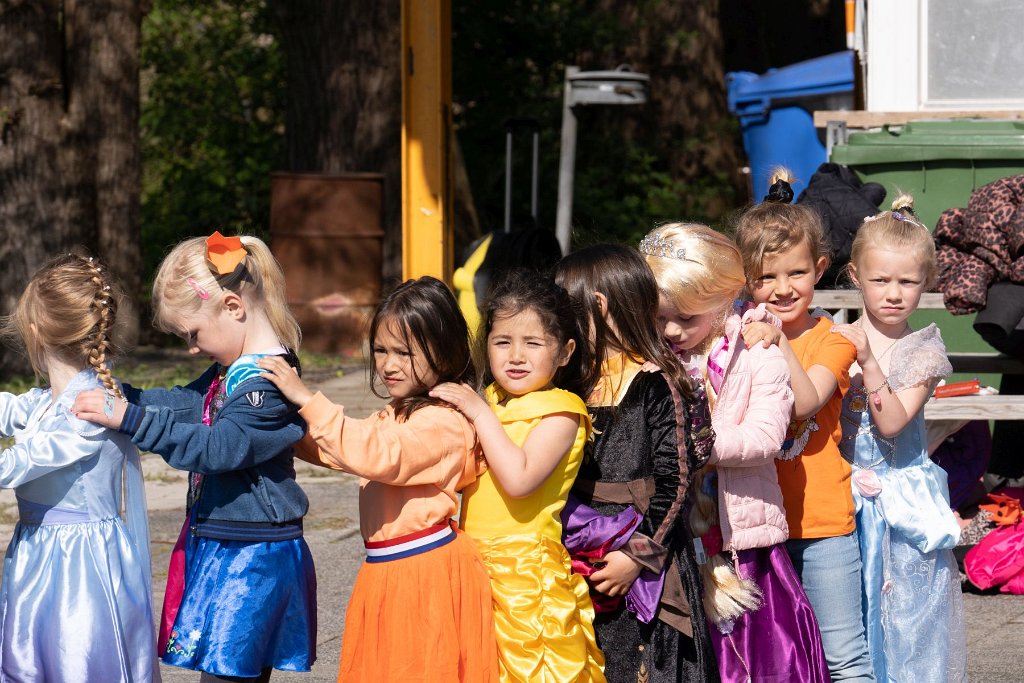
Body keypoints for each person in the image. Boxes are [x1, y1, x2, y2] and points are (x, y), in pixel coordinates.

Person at [73, 232, 316, 683]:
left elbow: (218, 448)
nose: (191, 347)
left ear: (232, 307)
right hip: (230, 544)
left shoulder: (266, 382)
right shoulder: (235, 368)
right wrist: (123, 396)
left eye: (193, 333)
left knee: (225, 676)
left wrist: (131, 420)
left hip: (255, 557)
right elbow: (188, 405)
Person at [258, 276, 499, 683]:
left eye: (404, 352)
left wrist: (306, 399)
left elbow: (374, 454)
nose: (388, 364)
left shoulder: (443, 422)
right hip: (391, 568)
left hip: (424, 573)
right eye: (382, 350)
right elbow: (344, 449)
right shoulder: (402, 412)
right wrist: (281, 430)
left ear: (444, 348)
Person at [641, 222, 830, 682]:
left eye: (687, 318)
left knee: (751, 658)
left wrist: (694, 444)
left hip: (737, 542)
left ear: (722, 299)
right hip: (675, 537)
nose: (672, 329)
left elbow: (766, 434)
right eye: (660, 316)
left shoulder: (755, 350)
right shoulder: (649, 353)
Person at [429, 271, 605, 682]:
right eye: (503, 342)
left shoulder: (561, 411)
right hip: (471, 565)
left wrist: (477, 414)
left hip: (527, 576)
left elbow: (519, 479)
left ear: (564, 352)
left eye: (533, 343)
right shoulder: (487, 401)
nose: (516, 356)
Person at [553, 244, 718, 683]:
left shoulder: (655, 383)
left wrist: (637, 556)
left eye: (566, 308)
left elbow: (677, 483)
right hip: (581, 552)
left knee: (645, 665)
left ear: (599, 306)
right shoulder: (572, 381)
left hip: (644, 556)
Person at [735, 169, 874, 681]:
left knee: (843, 658)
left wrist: (773, 339)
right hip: (755, 526)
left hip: (821, 526)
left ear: (819, 269)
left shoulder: (835, 338)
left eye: (795, 273)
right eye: (765, 278)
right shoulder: (737, 336)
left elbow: (806, 401)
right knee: (775, 659)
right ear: (746, 281)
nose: (781, 289)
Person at [0, 253, 157, 682]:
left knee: (77, 660)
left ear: (33, 332)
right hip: (37, 556)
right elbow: (7, 409)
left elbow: (18, 464)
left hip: (78, 565)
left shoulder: (89, 411)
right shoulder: (42, 403)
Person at [831, 196, 968, 682]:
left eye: (907, 282)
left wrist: (867, 362)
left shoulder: (924, 350)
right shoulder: (833, 336)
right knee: (844, 618)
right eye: (880, 280)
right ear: (854, 277)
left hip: (901, 500)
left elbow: (890, 424)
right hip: (840, 494)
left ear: (926, 283)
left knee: (908, 617)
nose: (893, 293)